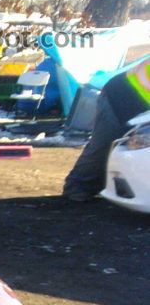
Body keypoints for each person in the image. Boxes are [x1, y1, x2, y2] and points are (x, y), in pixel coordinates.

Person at [63, 56, 150, 202]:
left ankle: (111, 185)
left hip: (137, 100)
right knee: (105, 145)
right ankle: (77, 188)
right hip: (119, 96)